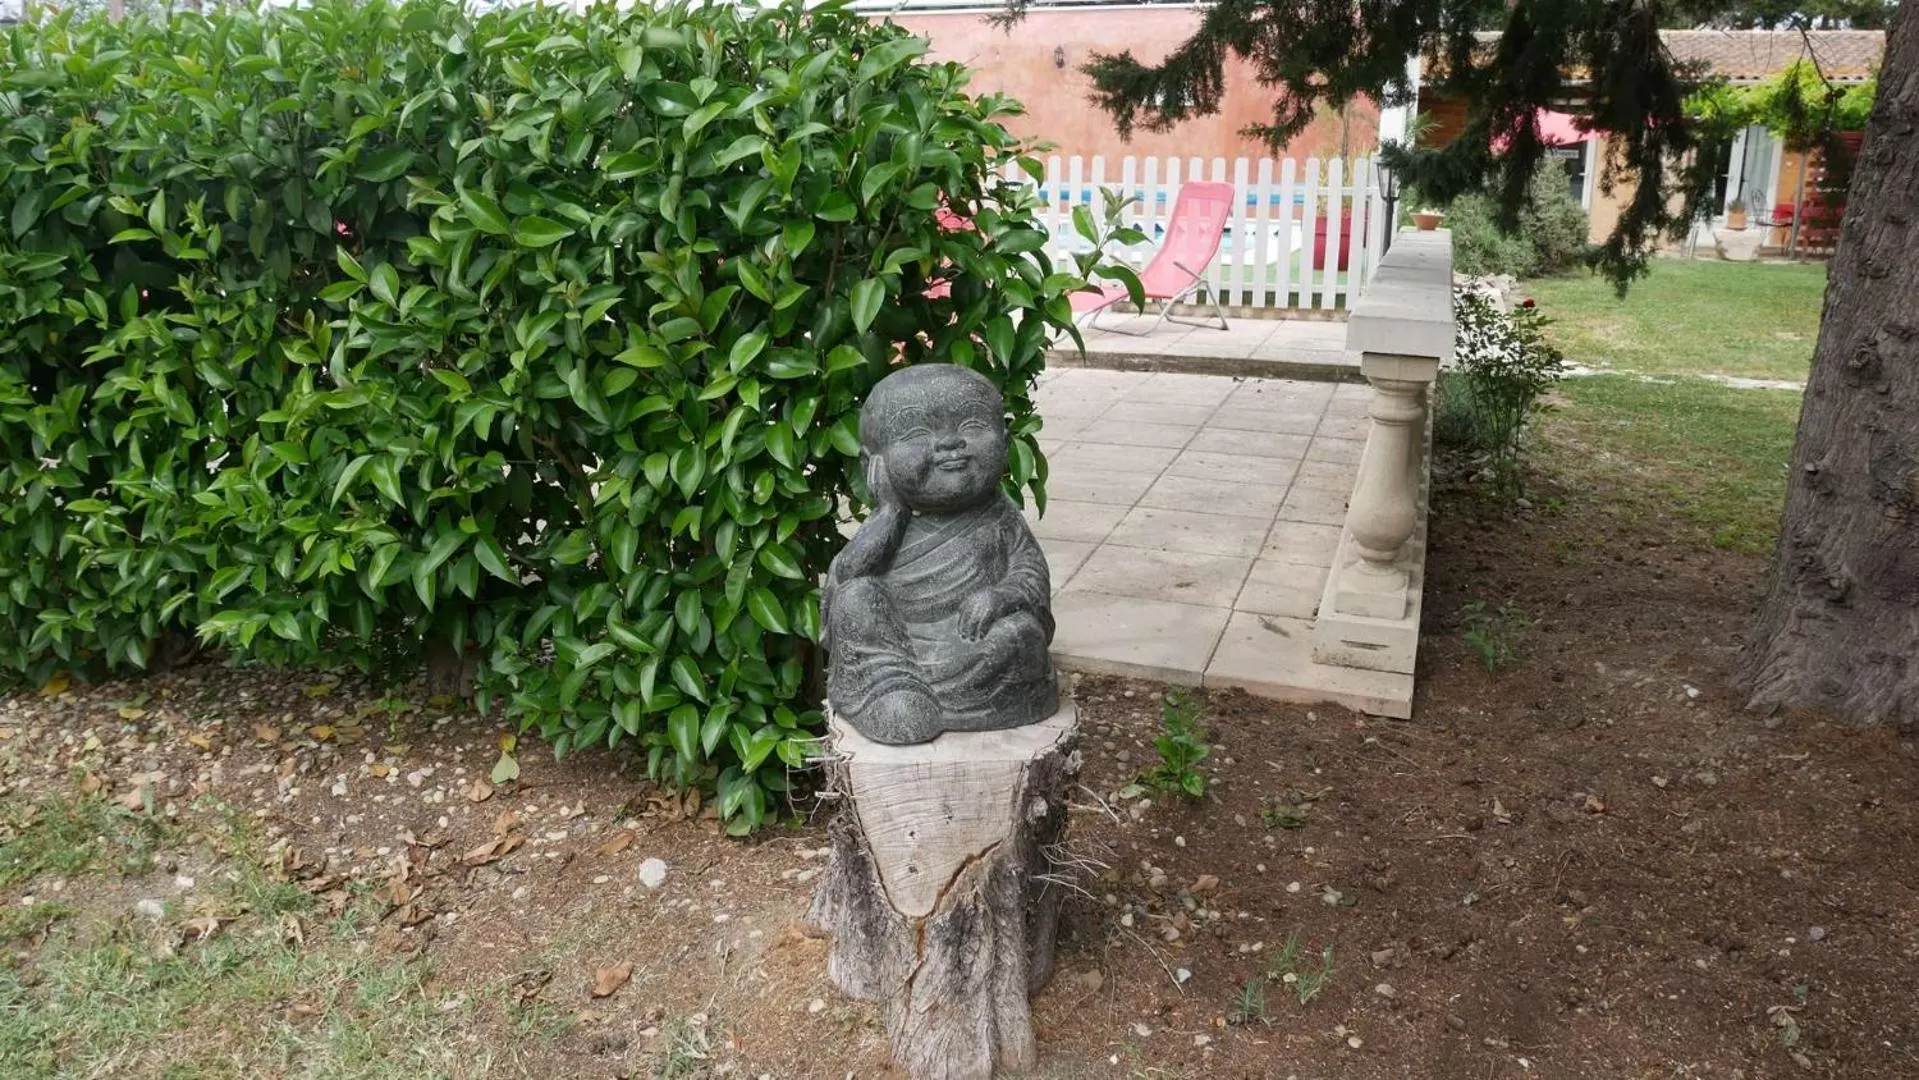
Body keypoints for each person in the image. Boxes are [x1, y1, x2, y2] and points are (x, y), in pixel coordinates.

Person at [821, 365, 1058, 744]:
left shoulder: (999, 516)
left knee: (1020, 632)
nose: (950, 443)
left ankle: (961, 702)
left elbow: (1029, 573)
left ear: (1004, 439)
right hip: (897, 651)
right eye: (917, 433)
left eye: (972, 426)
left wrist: (1000, 596)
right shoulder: (891, 522)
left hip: (974, 640)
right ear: (873, 463)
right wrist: (891, 511)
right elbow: (846, 575)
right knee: (856, 598)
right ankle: (889, 692)